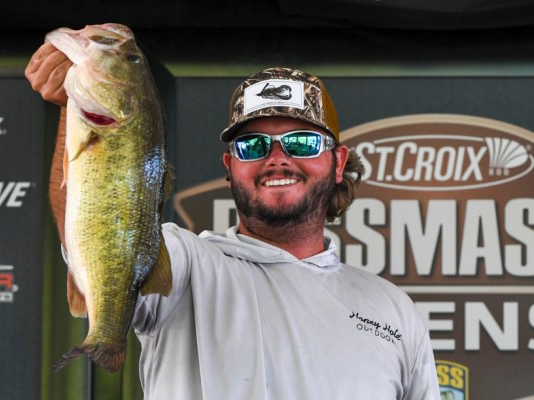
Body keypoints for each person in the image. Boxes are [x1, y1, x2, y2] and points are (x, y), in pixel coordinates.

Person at [26, 39, 441, 399]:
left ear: (337, 162)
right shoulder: (185, 266)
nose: (277, 157)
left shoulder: (392, 309)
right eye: (253, 144)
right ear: (230, 167)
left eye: (301, 141)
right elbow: (96, 214)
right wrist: (79, 106)